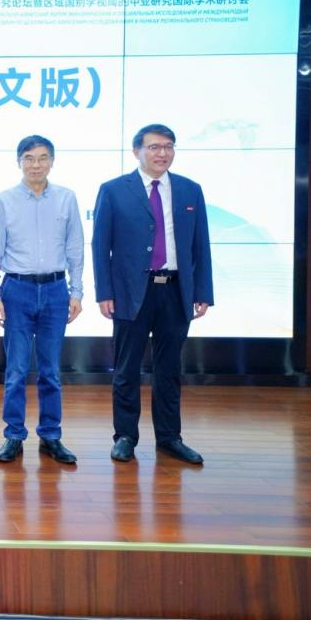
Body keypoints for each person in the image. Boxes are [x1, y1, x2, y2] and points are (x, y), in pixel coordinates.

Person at [92, 123, 213, 465]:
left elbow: (200, 245)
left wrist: (202, 290)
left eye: (168, 146)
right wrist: (104, 291)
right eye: (155, 147)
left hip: (175, 290)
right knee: (126, 368)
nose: (163, 153)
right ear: (137, 152)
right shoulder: (114, 190)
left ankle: (170, 438)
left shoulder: (190, 190)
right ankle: (125, 436)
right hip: (131, 291)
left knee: (169, 368)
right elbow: (101, 246)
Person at [0, 135, 83, 466]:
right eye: (29, 158)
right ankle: (13, 434)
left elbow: (75, 248)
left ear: (52, 161)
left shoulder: (67, 199)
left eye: (42, 158)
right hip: (17, 290)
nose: (36, 165)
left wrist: (77, 292)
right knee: (17, 369)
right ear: (19, 162)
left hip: (55, 290)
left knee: (51, 370)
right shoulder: (4, 201)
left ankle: (51, 435)